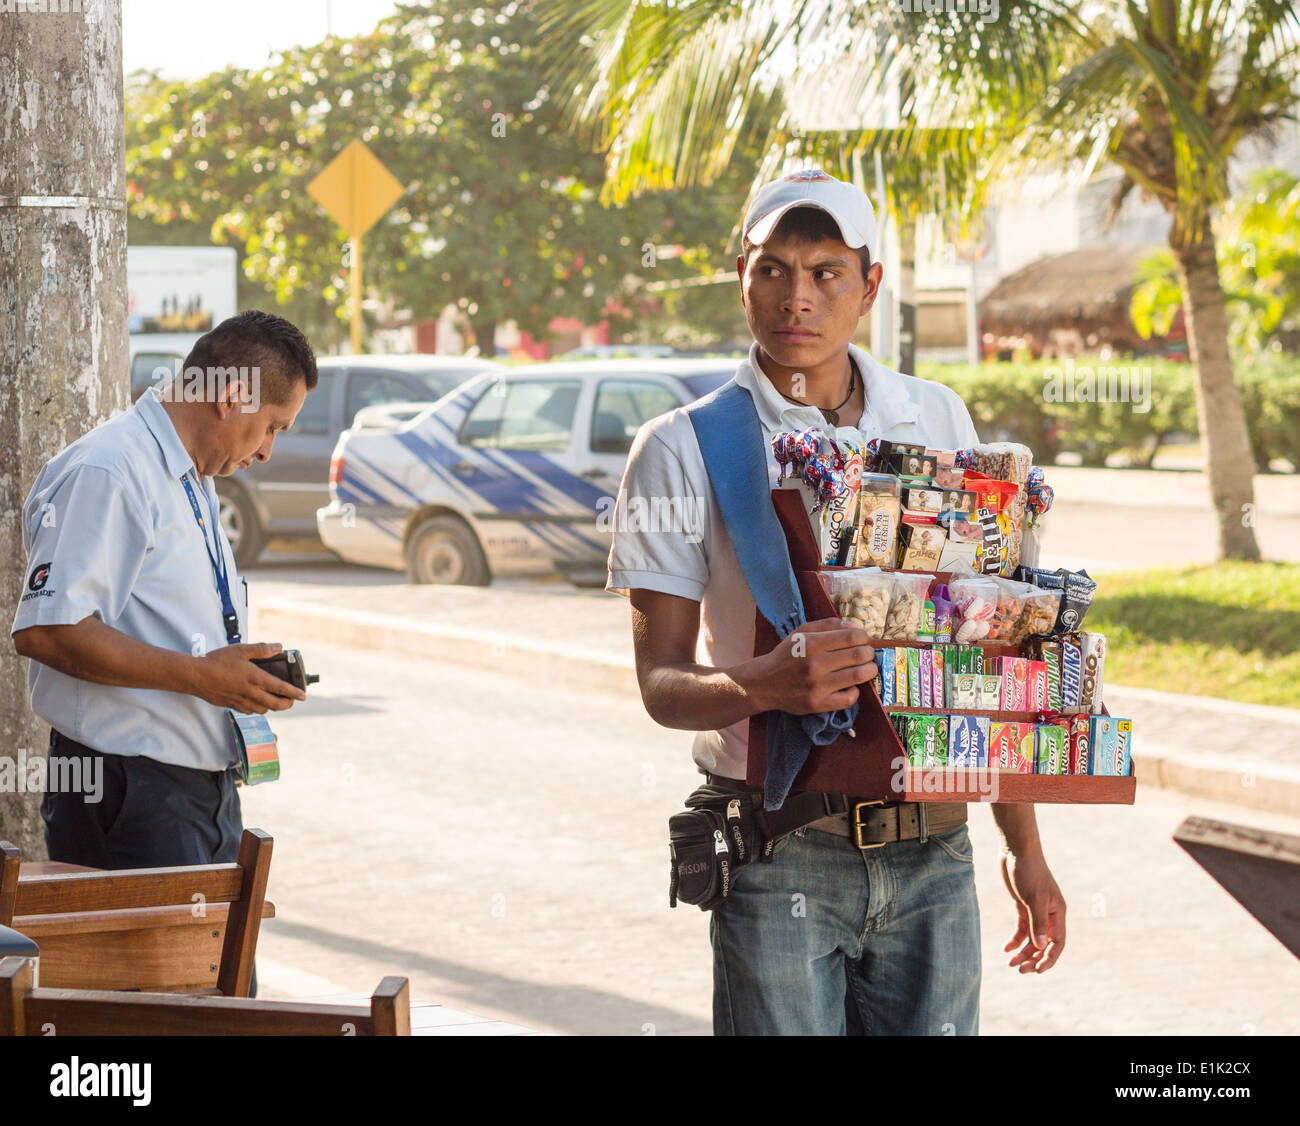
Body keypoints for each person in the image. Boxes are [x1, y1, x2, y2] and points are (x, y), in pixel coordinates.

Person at [606, 169, 1066, 1035]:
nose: (797, 296)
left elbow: (983, 664)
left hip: (936, 848)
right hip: (778, 852)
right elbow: (661, 684)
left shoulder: (936, 415)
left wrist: (1026, 851)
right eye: (772, 268)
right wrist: (765, 684)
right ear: (741, 273)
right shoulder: (682, 447)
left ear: (870, 285)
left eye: (825, 270)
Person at [11, 311, 315, 874]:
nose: (269, 449)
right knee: (163, 966)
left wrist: (232, 674)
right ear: (229, 397)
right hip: (128, 791)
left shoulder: (189, 474)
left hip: (195, 790)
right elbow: (48, 631)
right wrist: (203, 676)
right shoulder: (112, 469)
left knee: (221, 965)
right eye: (273, 425)